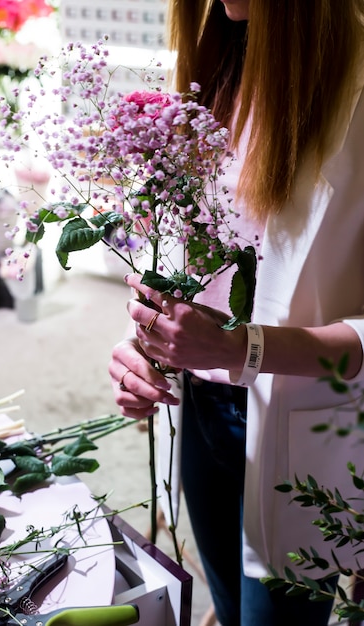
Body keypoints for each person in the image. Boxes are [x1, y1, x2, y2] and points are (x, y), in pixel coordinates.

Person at [108, 1, 364, 624]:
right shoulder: (219, 67)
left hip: (307, 426)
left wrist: (241, 349)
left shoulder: (354, 91)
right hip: (198, 409)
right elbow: (193, 262)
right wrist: (145, 343)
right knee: (222, 599)